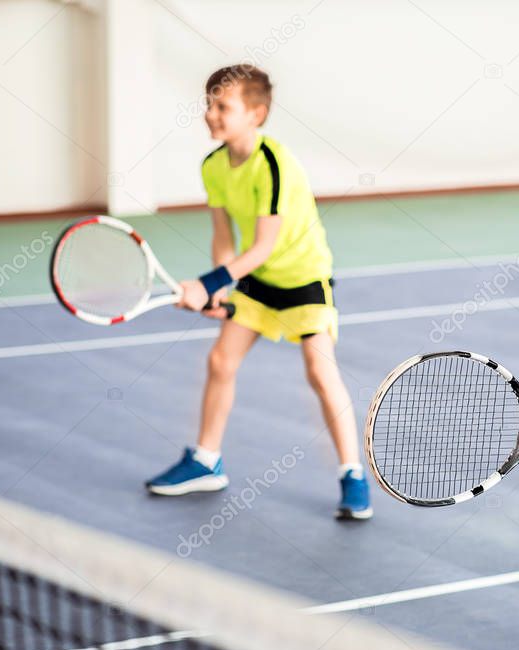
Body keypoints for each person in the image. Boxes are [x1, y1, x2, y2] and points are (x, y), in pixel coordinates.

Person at [145, 65, 372, 521]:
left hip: (303, 276)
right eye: (208, 103)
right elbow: (225, 239)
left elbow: (264, 244)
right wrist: (217, 286)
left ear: (256, 114)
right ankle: (207, 461)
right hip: (255, 279)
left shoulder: (273, 164)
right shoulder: (213, 166)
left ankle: (353, 475)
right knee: (220, 361)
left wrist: (206, 285)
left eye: (222, 106)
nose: (210, 113)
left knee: (320, 372)